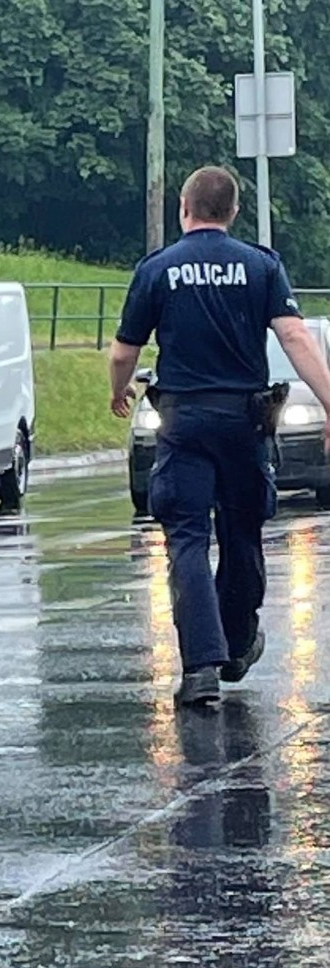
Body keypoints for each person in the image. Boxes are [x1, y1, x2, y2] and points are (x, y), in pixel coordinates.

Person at [109, 165, 330, 708]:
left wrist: (120, 392)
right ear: (232, 213)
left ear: (185, 208)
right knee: (242, 531)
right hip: (244, 423)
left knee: (185, 538)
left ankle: (201, 668)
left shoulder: (158, 269)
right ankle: (236, 644)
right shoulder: (261, 265)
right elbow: (295, 335)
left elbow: (124, 351)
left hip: (183, 422)